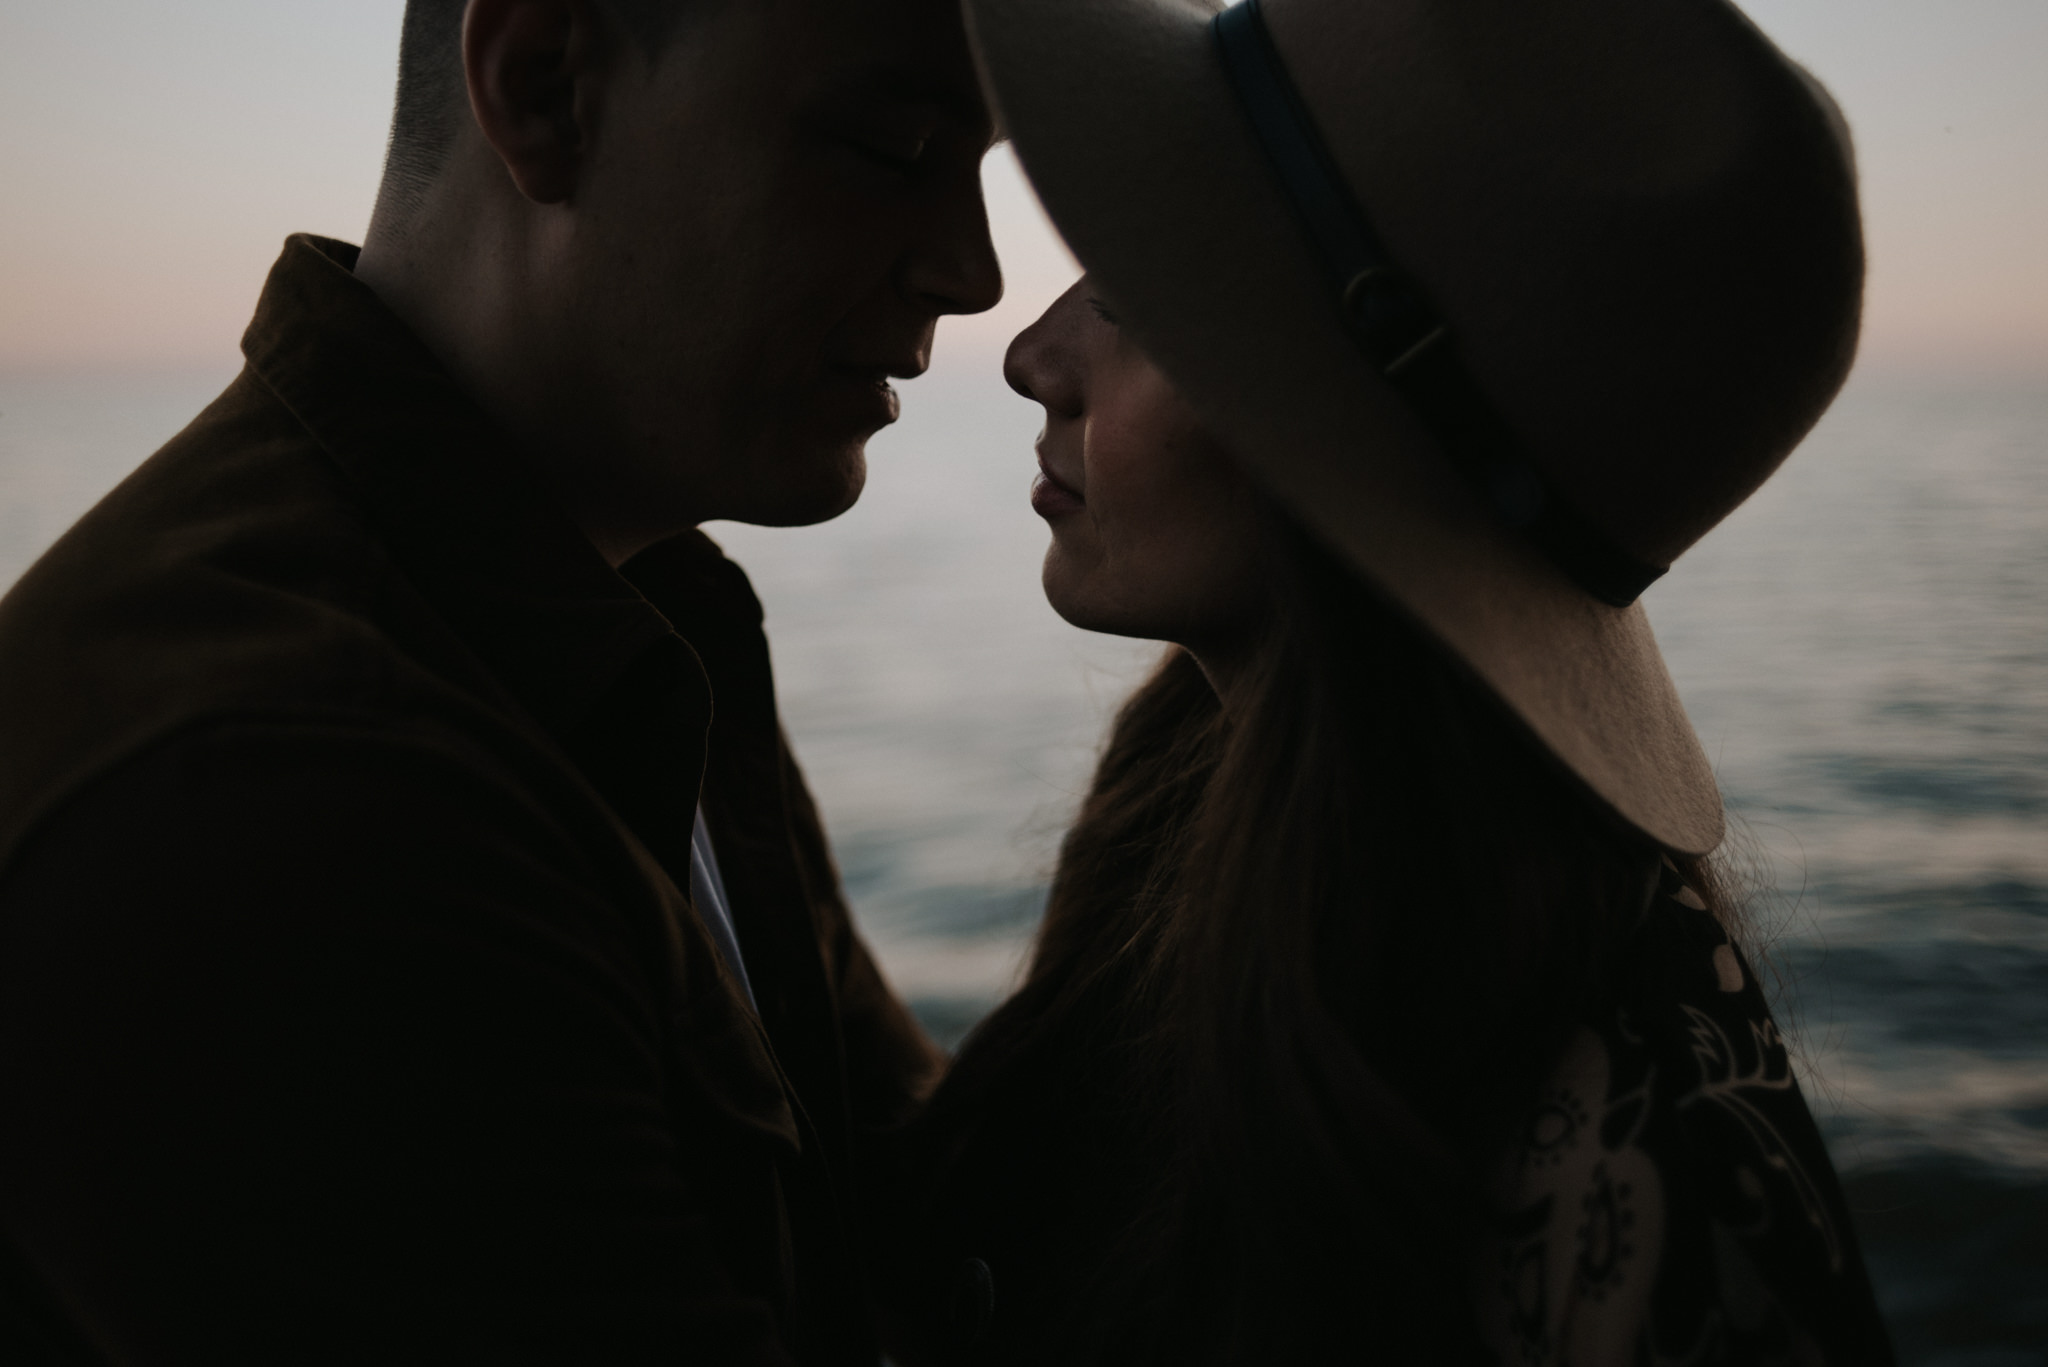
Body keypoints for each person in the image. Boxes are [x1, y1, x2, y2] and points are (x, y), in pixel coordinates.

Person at [878, 0, 1895, 1362]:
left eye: (1145, 296)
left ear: (1351, 431)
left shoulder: (1621, 1165)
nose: (1031, 355)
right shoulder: (1194, 810)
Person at [0, 0, 999, 1361]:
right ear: (542, 91)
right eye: (894, 146)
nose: (975, 270)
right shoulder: (293, 797)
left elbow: (924, 1204)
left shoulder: (634, 612)